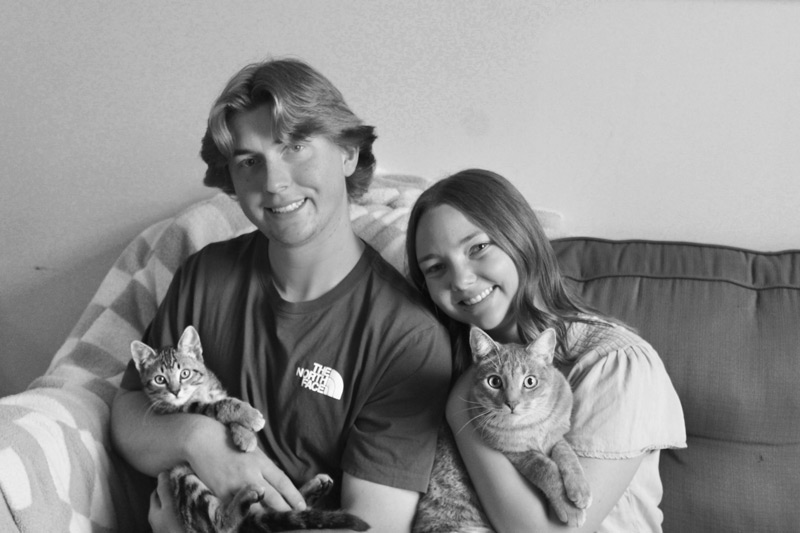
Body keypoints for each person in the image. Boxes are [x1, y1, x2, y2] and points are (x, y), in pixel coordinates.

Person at [111, 58, 452, 532]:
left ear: (348, 153)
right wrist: (198, 439)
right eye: (249, 162)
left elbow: (368, 527)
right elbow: (128, 414)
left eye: (294, 146)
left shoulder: (408, 338)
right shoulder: (204, 275)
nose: (274, 183)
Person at [406, 168, 686, 532]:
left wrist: (461, 411)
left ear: (520, 238)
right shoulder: (439, 361)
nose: (461, 280)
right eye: (436, 267)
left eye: (478, 248)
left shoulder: (615, 363)